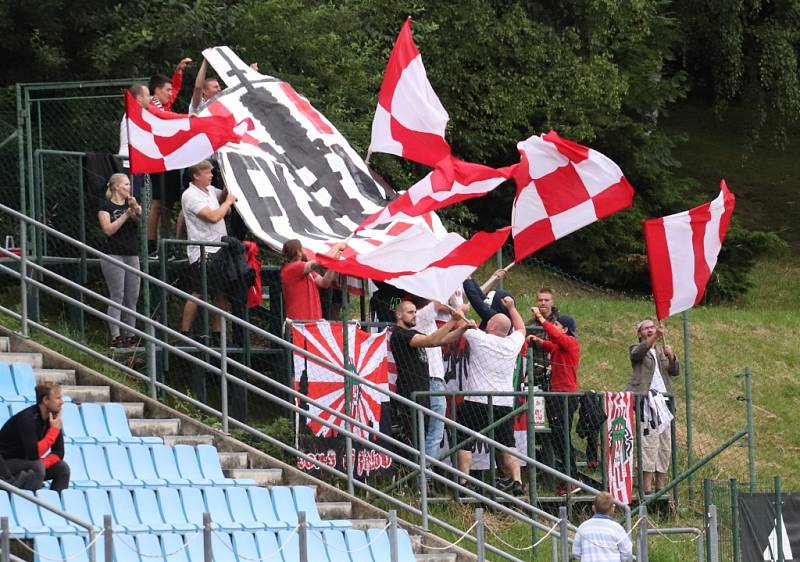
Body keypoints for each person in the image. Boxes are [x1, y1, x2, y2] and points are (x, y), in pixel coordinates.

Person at [456, 296, 525, 495]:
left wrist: (461, 308)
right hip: (503, 402)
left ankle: (464, 480)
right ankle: (517, 480)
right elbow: (521, 329)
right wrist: (512, 307)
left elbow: (458, 321)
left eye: (489, 323)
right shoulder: (512, 344)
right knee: (507, 443)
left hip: (476, 400)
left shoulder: (480, 338)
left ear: (493, 326)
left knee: (465, 440)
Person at [391, 300, 473, 448]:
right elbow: (431, 341)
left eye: (415, 312)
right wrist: (453, 320)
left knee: (428, 434)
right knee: (414, 438)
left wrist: (463, 329)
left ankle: (424, 469)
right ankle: (417, 470)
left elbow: (440, 340)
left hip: (422, 390)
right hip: (410, 390)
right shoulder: (399, 334)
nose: (414, 315)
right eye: (410, 312)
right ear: (399, 314)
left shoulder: (412, 333)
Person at [178, 160, 235, 343]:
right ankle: (184, 333)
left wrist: (229, 179)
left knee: (221, 293)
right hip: (203, 251)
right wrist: (227, 203)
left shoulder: (210, 191)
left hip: (220, 249)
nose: (212, 175)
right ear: (196, 175)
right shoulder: (191, 195)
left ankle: (218, 335)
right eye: (208, 173)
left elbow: (225, 194)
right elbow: (213, 216)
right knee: (199, 291)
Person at [528, 306, 580, 496]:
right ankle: (569, 478)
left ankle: (571, 479)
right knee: (559, 439)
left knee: (563, 438)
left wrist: (541, 319)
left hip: (565, 396)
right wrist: (538, 341)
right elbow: (551, 345)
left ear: (565, 329)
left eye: (557, 324)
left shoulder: (571, 342)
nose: (554, 326)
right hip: (558, 395)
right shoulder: (561, 345)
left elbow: (555, 338)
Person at [628, 319, 679, 494]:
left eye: (652, 327)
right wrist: (655, 337)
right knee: (649, 443)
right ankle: (647, 488)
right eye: (646, 328)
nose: (650, 330)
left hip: (664, 402)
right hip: (647, 401)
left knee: (665, 444)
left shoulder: (660, 351)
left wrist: (671, 356)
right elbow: (637, 354)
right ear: (640, 333)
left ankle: (661, 486)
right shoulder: (637, 348)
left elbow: (674, 371)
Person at [146, 58, 192, 256]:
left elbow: (174, 93)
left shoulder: (162, 103)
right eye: (166, 90)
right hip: (157, 159)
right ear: (157, 90)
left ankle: (166, 244)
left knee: (168, 202)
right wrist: (186, 118)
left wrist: (179, 72)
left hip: (169, 159)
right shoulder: (151, 104)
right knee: (158, 201)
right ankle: (151, 246)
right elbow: (164, 116)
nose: (170, 94)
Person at [98, 173, 142, 347]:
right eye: (125, 185)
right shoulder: (105, 205)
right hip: (113, 254)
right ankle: (116, 335)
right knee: (118, 295)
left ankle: (131, 335)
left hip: (132, 254)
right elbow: (108, 229)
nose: (128, 188)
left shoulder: (131, 203)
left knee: (132, 297)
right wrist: (125, 214)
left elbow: (141, 221)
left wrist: (135, 210)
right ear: (116, 186)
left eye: (129, 185)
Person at [0, 383, 69, 492]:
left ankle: (56, 504)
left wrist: (45, 463)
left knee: (62, 468)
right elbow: (33, 454)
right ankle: (26, 502)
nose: (62, 402)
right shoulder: (27, 418)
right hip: (5, 463)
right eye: (58, 398)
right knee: (37, 467)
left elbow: (59, 452)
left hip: (24, 462)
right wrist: (53, 431)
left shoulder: (53, 419)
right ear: (45, 400)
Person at [280, 239, 346, 321]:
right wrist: (337, 246)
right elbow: (319, 262)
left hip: (312, 322)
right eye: (303, 248)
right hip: (299, 323)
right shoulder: (292, 268)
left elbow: (324, 283)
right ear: (298, 252)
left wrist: (333, 264)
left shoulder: (305, 271)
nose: (305, 251)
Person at [572, 492, 633, 561]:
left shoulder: (583, 527)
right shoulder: (617, 528)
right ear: (612, 509)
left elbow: (576, 553)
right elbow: (627, 552)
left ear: (593, 508)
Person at [117, 84, 151, 199]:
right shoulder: (134, 112)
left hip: (136, 162)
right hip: (129, 163)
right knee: (132, 201)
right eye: (147, 95)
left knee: (136, 199)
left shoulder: (138, 112)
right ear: (139, 98)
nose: (150, 98)